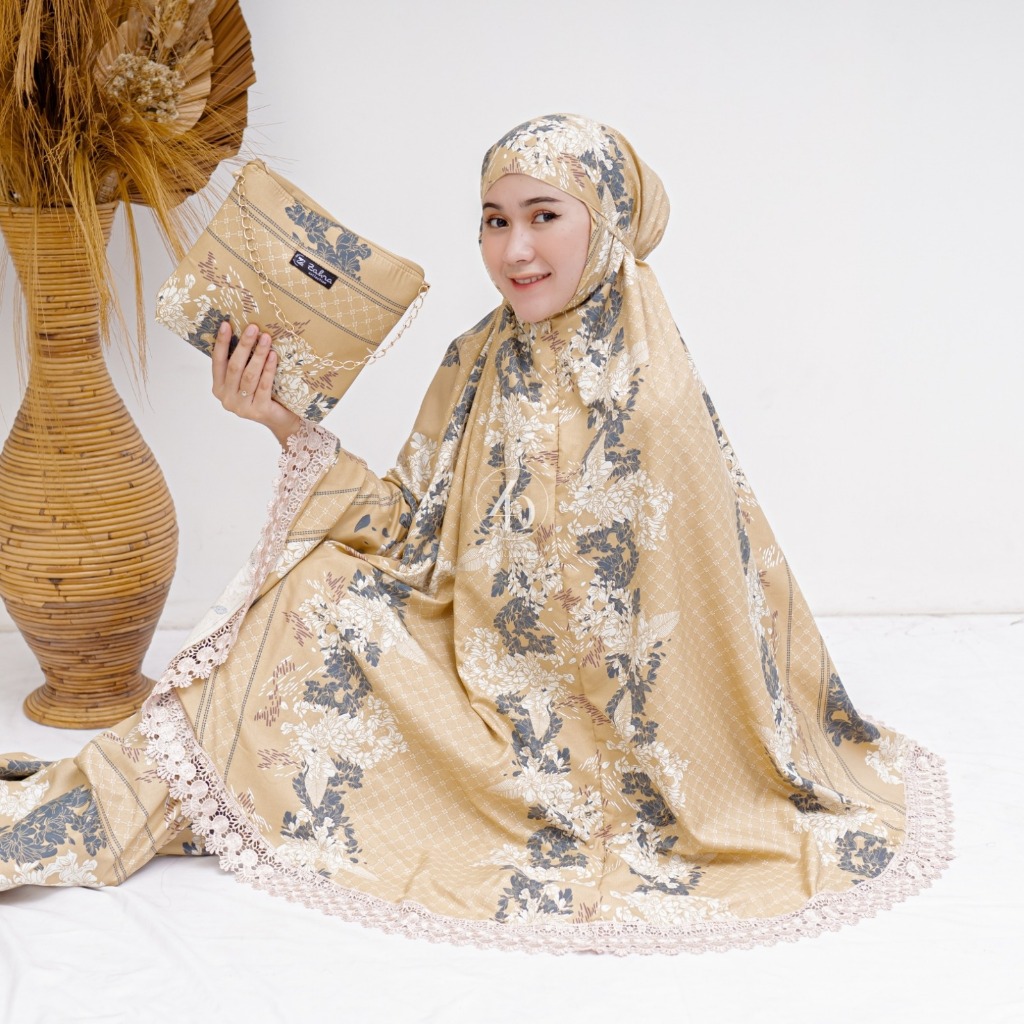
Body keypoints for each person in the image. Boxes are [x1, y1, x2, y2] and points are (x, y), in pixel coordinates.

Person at [0, 114, 951, 953]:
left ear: (608, 221)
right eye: (495, 220)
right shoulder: (480, 356)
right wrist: (282, 423)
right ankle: (126, 800)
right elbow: (407, 531)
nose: (515, 249)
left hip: (586, 740)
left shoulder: (651, 396)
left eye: (544, 215)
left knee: (306, 628)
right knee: (311, 590)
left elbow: (681, 643)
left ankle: (140, 801)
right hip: (471, 663)